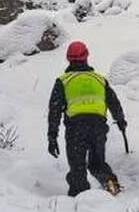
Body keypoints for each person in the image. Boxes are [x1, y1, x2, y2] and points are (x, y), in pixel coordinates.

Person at [47, 41, 128, 196]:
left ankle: (80, 202)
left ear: (68, 59)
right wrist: (121, 121)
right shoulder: (99, 79)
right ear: (86, 57)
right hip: (98, 128)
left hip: (76, 129)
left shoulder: (63, 81)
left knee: (78, 168)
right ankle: (112, 187)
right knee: (97, 164)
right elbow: (114, 103)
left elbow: (54, 111)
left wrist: (52, 136)